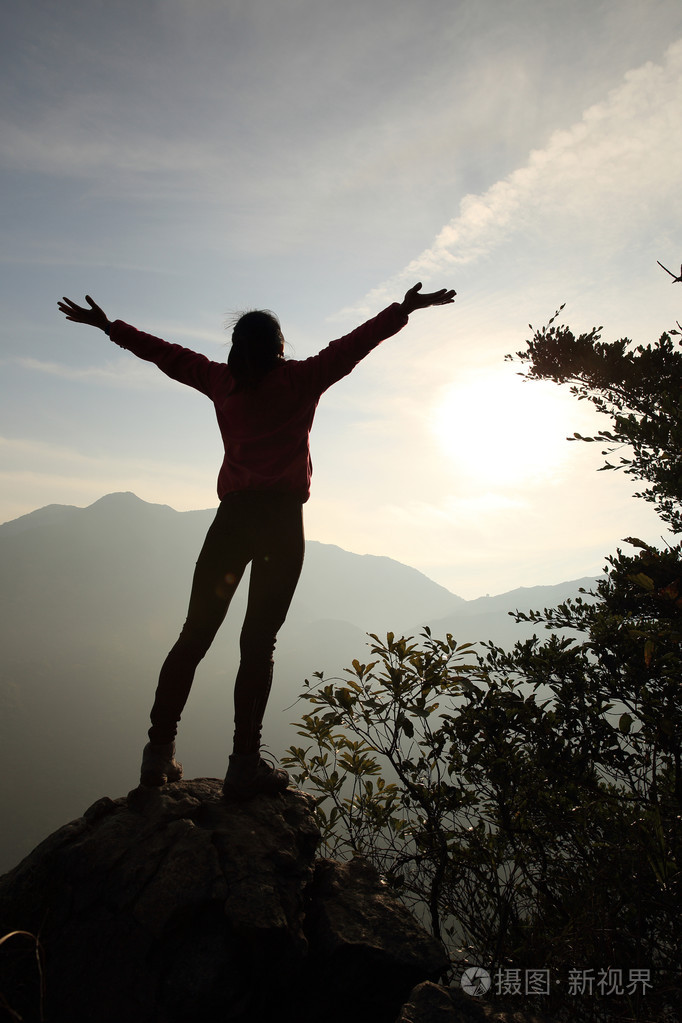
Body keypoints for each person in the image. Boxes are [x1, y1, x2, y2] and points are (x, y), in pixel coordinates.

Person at [57, 283, 456, 798]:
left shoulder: (222, 383)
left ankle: (157, 756)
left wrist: (110, 327)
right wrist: (401, 310)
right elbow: (352, 345)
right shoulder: (301, 380)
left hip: (232, 521)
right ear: (278, 346)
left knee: (193, 636)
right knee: (257, 644)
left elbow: (166, 355)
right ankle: (244, 762)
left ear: (237, 349)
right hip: (281, 525)